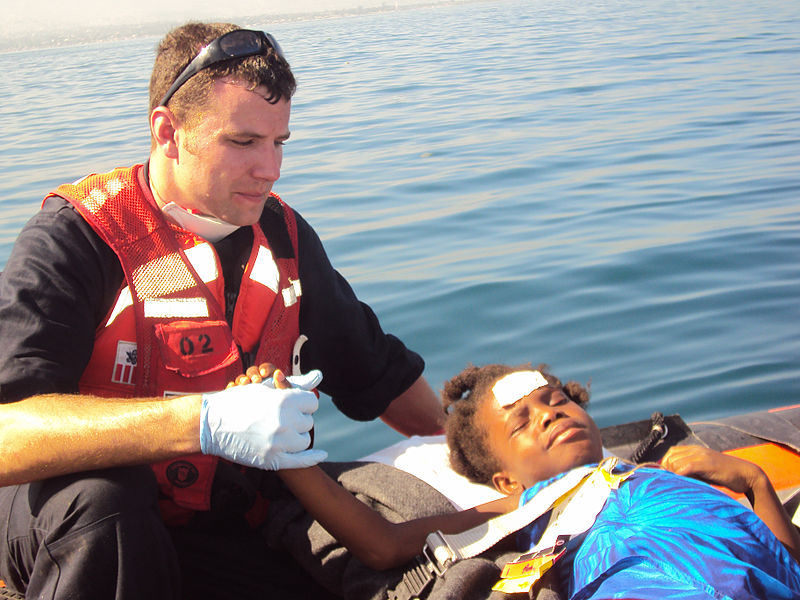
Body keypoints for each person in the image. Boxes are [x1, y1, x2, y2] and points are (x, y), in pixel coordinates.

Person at [0, 21, 444, 599]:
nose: (271, 169)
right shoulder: (74, 239)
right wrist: (204, 422)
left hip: (223, 516)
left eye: (279, 142)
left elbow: (375, 371)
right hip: (75, 521)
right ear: (168, 133)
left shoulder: (282, 235)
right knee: (104, 504)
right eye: (243, 142)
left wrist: (482, 450)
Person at [269, 363, 800, 599]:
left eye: (557, 400)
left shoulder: (665, 478)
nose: (548, 415)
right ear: (505, 479)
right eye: (521, 422)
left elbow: (781, 567)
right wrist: (288, 454)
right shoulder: (529, 509)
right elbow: (381, 546)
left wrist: (754, 483)